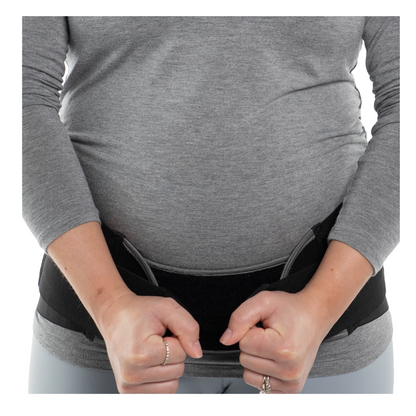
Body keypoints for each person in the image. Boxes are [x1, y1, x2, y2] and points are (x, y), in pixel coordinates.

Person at [23, 16, 399, 394]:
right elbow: (20, 93)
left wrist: (320, 307)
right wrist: (109, 306)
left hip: (328, 329)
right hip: (101, 331)